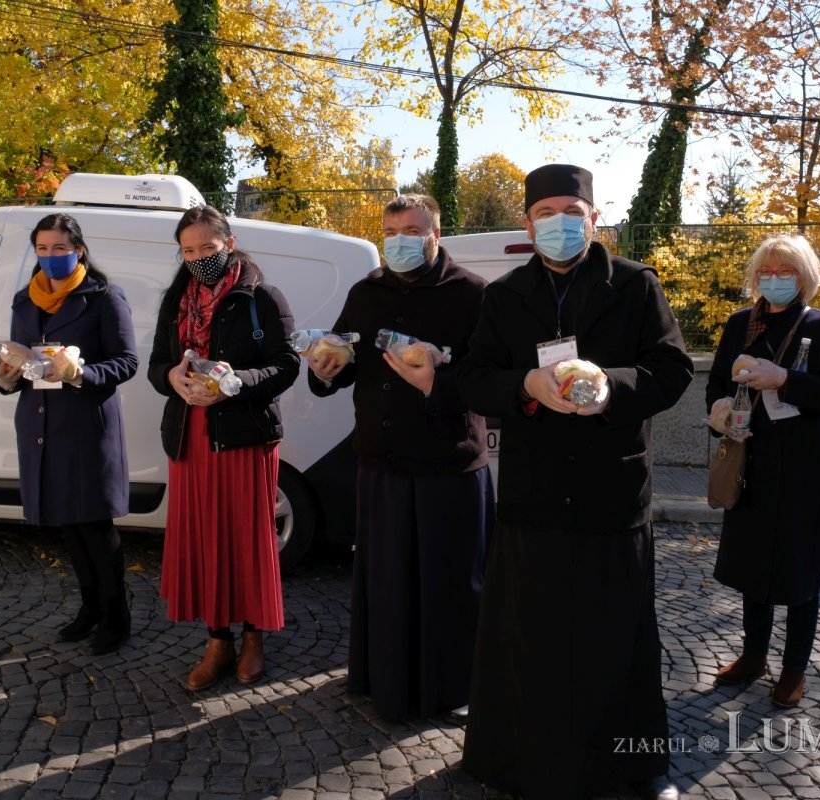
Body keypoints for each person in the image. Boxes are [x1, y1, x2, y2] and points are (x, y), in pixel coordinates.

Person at [456, 164, 693, 800]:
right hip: (533, 493)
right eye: (545, 213)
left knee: (619, 639)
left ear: (593, 219)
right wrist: (525, 385)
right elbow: (472, 378)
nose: (558, 223)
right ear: (528, 222)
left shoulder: (636, 285)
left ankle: (637, 766)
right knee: (528, 637)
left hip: (610, 492)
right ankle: (517, 763)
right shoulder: (504, 295)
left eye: (572, 212)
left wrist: (612, 386)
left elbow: (671, 369)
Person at [307, 194, 494, 720]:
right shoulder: (365, 291)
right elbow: (344, 358)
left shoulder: (473, 293)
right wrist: (324, 369)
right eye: (391, 232)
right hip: (381, 460)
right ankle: (382, 680)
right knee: (386, 582)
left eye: (412, 231)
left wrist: (436, 382)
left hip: (447, 464)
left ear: (436, 234)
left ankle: (455, 688)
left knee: (451, 584)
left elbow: (488, 381)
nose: (399, 241)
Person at [148, 206, 300, 691]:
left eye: (208, 249)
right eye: (188, 251)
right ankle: (218, 641)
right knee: (204, 540)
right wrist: (172, 377)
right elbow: (156, 365)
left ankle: (253, 637)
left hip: (244, 437)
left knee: (246, 539)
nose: (199, 259)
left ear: (229, 244)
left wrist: (234, 384)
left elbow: (287, 365)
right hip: (189, 436)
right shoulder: (176, 301)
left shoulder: (262, 297)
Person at [705, 234, 820, 708]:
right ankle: (753, 656)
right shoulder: (740, 324)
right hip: (751, 465)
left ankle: (794, 670)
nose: (773, 279)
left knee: (799, 574)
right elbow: (715, 383)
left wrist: (786, 379)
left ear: (805, 277)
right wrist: (721, 413)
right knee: (754, 569)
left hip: (802, 475)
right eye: (765, 271)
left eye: (784, 271)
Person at [0, 212, 139, 655]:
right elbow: (21, 361)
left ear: (79, 250)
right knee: (67, 523)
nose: (51, 256)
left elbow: (126, 362)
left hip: (85, 424)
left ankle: (116, 615)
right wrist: (5, 376)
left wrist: (81, 373)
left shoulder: (104, 297)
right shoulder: (25, 300)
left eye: (60, 248)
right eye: (42, 248)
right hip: (40, 424)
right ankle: (90, 608)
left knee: (93, 522)